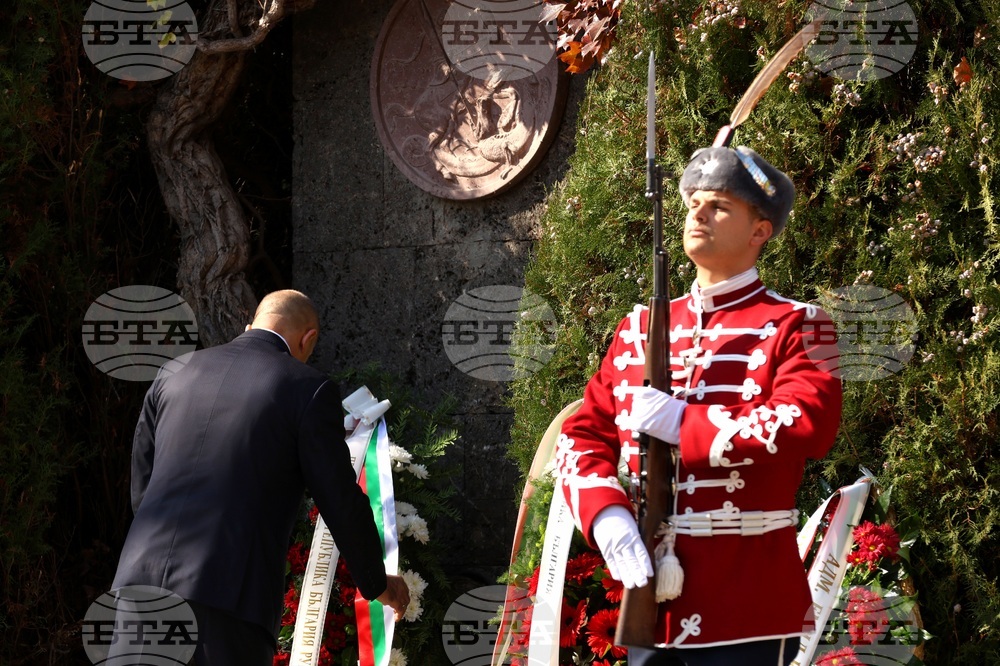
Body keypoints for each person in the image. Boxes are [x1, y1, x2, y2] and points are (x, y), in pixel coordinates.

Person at [555, 146, 842, 666]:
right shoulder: (638, 329)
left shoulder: (801, 325)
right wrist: (605, 515)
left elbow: (807, 423)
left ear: (760, 231)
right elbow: (583, 436)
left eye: (720, 206)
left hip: (745, 598)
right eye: (694, 203)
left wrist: (686, 422)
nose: (699, 213)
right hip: (648, 595)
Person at [111, 289, 410, 666]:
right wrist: (377, 583)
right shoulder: (308, 389)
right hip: (226, 600)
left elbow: (142, 486)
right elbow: (339, 499)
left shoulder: (173, 373)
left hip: (137, 587)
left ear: (249, 324)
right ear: (309, 339)